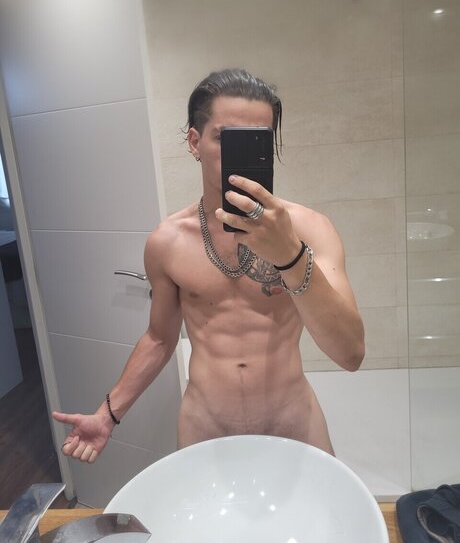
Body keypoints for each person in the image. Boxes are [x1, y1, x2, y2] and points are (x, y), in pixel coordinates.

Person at [53, 68, 364, 464]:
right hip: (205, 427)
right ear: (194, 141)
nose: (241, 153)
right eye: (225, 138)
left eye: (258, 139)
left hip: (293, 422)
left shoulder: (310, 229)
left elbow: (350, 354)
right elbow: (160, 338)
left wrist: (290, 255)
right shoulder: (167, 242)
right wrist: (107, 414)